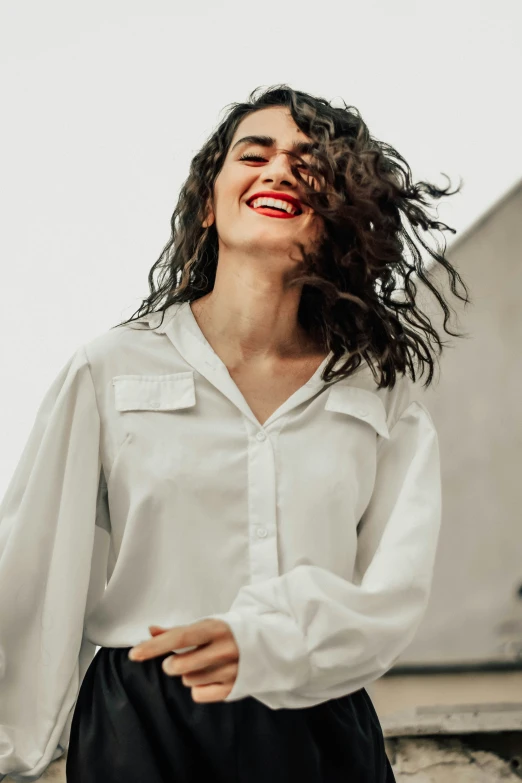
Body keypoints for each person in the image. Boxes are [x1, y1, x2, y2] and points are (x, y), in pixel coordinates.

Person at [0, 84, 471, 782]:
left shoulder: (380, 388)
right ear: (208, 201)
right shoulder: (109, 368)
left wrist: (270, 640)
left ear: (339, 211)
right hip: (143, 725)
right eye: (255, 153)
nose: (280, 169)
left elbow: (392, 592)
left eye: (310, 162)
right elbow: (33, 570)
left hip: (320, 723)